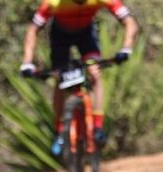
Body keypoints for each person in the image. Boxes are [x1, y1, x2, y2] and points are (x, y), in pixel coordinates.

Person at [19, 0, 138, 155]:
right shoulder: (53, 3)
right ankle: (60, 131)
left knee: (94, 71)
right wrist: (27, 62)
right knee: (59, 79)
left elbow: (129, 21)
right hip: (60, 37)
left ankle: (97, 126)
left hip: (86, 35)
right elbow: (33, 29)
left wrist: (126, 47)